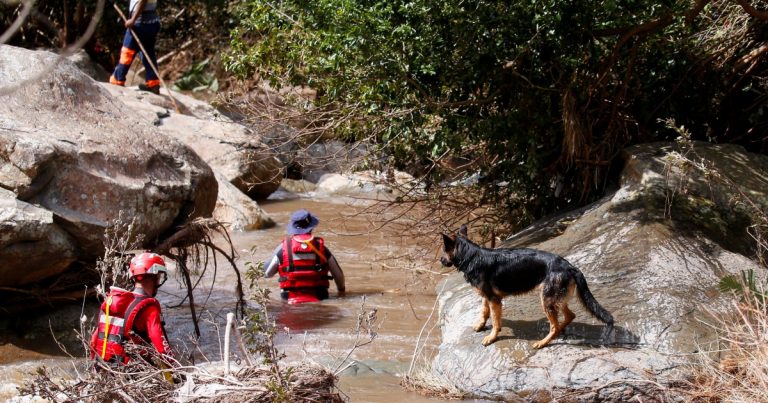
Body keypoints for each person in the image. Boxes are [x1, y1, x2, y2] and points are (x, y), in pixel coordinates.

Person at [91, 252, 173, 365]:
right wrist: (177, 372)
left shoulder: (111, 302)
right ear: (156, 277)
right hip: (131, 372)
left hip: (101, 367)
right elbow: (162, 350)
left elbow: (94, 340)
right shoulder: (149, 309)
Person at [264, 209, 345, 304]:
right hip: (320, 297)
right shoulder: (321, 247)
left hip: (289, 300)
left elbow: (267, 274)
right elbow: (338, 276)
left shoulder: (283, 248)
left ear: (293, 227)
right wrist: (341, 291)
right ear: (311, 227)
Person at [109, 0, 162, 95]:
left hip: (140, 23)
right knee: (148, 54)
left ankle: (117, 80)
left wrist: (133, 19)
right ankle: (153, 84)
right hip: (151, 22)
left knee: (127, 52)